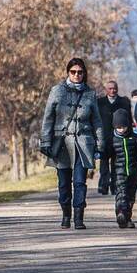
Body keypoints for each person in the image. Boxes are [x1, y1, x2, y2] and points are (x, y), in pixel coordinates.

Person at [40, 58, 104, 230]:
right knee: (63, 183)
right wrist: (45, 140)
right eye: (73, 72)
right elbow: (48, 118)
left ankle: (78, 217)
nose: (77, 75)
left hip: (83, 144)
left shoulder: (90, 94)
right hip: (62, 144)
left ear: (84, 73)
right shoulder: (57, 91)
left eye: (80, 72)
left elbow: (97, 120)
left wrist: (100, 143)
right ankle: (66, 214)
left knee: (80, 182)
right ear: (68, 72)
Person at [96, 79, 132, 195]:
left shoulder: (124, 102)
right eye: (110, 88)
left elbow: (129, 120)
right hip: (104, 138)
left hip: (119, 137)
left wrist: (129, 135)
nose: (113, 90)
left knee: (117, 165)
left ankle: (115, 186)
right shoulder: (100, 102)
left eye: (114, 88)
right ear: (106, 90)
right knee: (104, 165)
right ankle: (103, 185)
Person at [111, 108, 137, 228]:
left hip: (133, 171)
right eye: (118, 127)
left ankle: (127, 217)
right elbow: (106, 154)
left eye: (123, 127)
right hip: (119, 171)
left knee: (131, 196)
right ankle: (121, 213)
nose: (121, 130)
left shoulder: (134, 138)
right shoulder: (112, 140)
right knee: (121, 193)